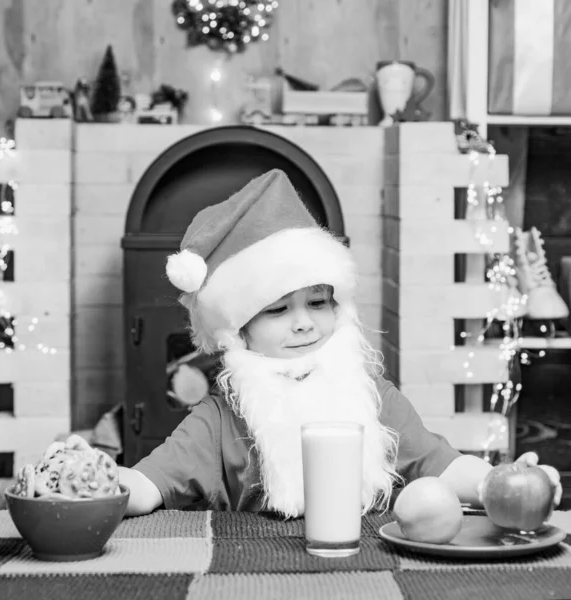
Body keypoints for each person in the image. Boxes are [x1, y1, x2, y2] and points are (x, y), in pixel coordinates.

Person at [119, 169, 561, 518]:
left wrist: (500, 483)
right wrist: (97, 479)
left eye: (318, 302)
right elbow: (147, 485)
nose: (304, 324)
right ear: (241, 330)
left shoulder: (372, 398)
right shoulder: (219, 419)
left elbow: (442, 464)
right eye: (277, 310)